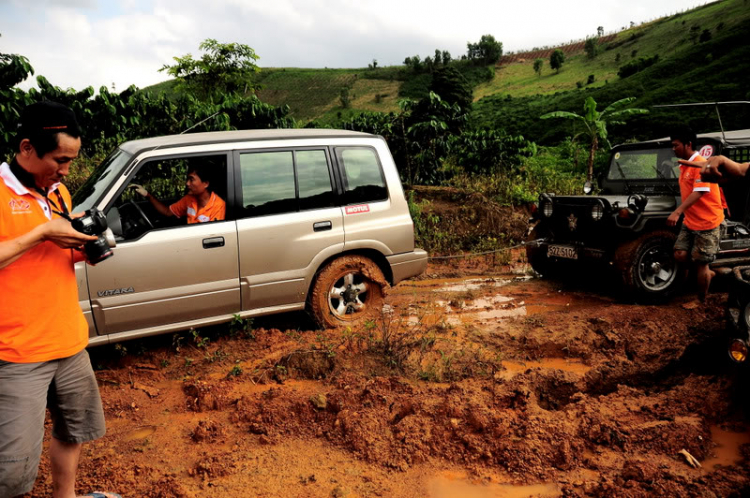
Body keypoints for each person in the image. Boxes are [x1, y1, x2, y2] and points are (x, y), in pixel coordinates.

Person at [0, 102, 120, 497]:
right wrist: (41, 233)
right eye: (61, 159)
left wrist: (84, 249)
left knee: (74, 431)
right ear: (27, 148)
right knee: (12, 470)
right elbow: (37, 240)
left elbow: (53, 253)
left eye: (72, 160)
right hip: (16, 352)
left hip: (69, 341)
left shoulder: (58, 192)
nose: (67, 169)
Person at [667, 125, 724, 302]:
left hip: (707, 221)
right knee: (680, 254)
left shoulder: (701, 164)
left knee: (701, 263)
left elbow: (700, 191)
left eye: (676, 145)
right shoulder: (685, 165)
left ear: (688, 144)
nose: (673, 148)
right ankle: (707, 274)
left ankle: (701, 300)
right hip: (691, 221)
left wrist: (677, 212)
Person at [130, 163, 225, 224]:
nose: (187, 183)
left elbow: (213, 236)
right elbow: (167, 212)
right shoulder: (189, 199)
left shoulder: (218, 205)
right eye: (188, 179)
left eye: (191, 180)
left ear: (205, 184)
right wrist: (148, 195)